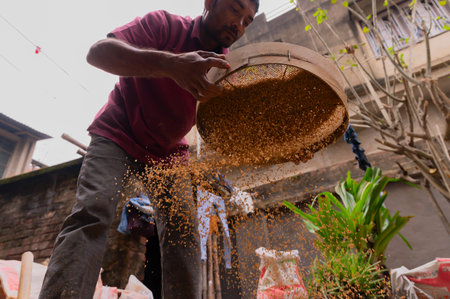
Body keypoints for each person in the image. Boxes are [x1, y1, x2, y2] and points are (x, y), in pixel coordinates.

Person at [38, 0, 258, 298]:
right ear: (209, 3)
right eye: (235, 9)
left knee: (185, 236)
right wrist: (171, 65)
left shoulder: (228, 70)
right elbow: (98, 52)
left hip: (168, 153)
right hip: (118, 130)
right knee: (93, 210)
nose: (239, 25)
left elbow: (227, 128)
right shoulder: (165, 25)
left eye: (248, 21)